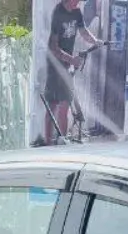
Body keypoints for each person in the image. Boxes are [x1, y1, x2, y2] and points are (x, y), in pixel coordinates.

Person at [43, 0, 99, 144]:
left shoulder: (77, 12)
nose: (78, 3)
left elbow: (83, 32)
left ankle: (62, 141)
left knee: (65, 105)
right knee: (52, 106)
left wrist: (96, 41)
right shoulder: (58, 12)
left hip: (67, 67)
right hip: (54, 66)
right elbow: (53, 47)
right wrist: (71, 59)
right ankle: (47, 143)